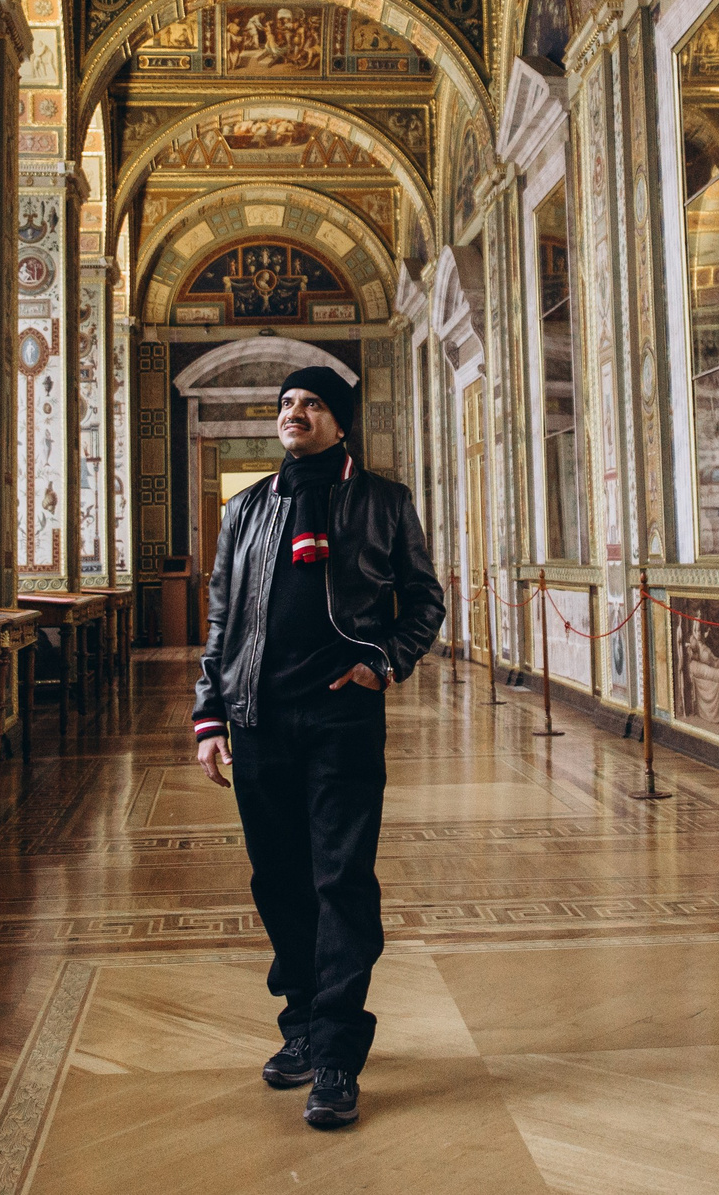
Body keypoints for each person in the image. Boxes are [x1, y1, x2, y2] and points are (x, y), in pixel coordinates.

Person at [194, 366, 445, 1129]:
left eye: (311, 403)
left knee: (339, 878)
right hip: (260, 719)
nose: (294, 412)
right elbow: (222, 618)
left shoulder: (382, 502)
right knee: (279, 878)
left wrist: (386, 661)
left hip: (342, 718)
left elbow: (425, 600)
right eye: (286, 403)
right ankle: (301, 1020)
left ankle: (336, 1054)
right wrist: (210, 713)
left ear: (339, 423)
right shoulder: (246, 510)